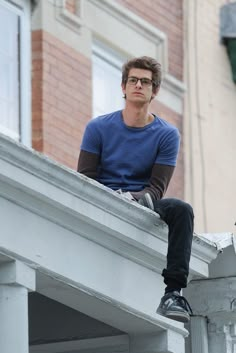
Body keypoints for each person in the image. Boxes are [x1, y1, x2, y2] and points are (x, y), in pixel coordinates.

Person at [77, 56, 194, 323]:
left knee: (181, 210)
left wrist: (132, 197)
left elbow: (156, 189)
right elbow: (84, 180)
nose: (138, 85)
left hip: (143, 201)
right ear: (123, 87)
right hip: (102, 198)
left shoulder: (167, 134)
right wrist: (112, 198)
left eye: (145, 81)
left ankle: (173, 294)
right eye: (133, 80)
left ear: (155, 90)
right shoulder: (98, 128)